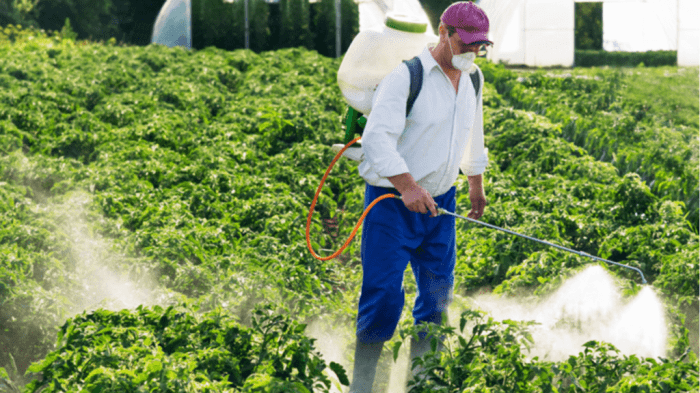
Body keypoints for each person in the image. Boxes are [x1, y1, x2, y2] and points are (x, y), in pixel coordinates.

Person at [349, 2, 492, 391]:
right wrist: (407, 186)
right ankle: (363, 384)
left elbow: (471, 132)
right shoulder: (407, 77)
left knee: (436, 297)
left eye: (479, 48)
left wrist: (475, 181)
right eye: (466, 45)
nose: (472, 54)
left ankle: (421, 382)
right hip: (392, 204)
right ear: (444, 33)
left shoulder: (473, 78)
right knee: (382, 297)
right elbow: (378, 138)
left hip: (442, 206)